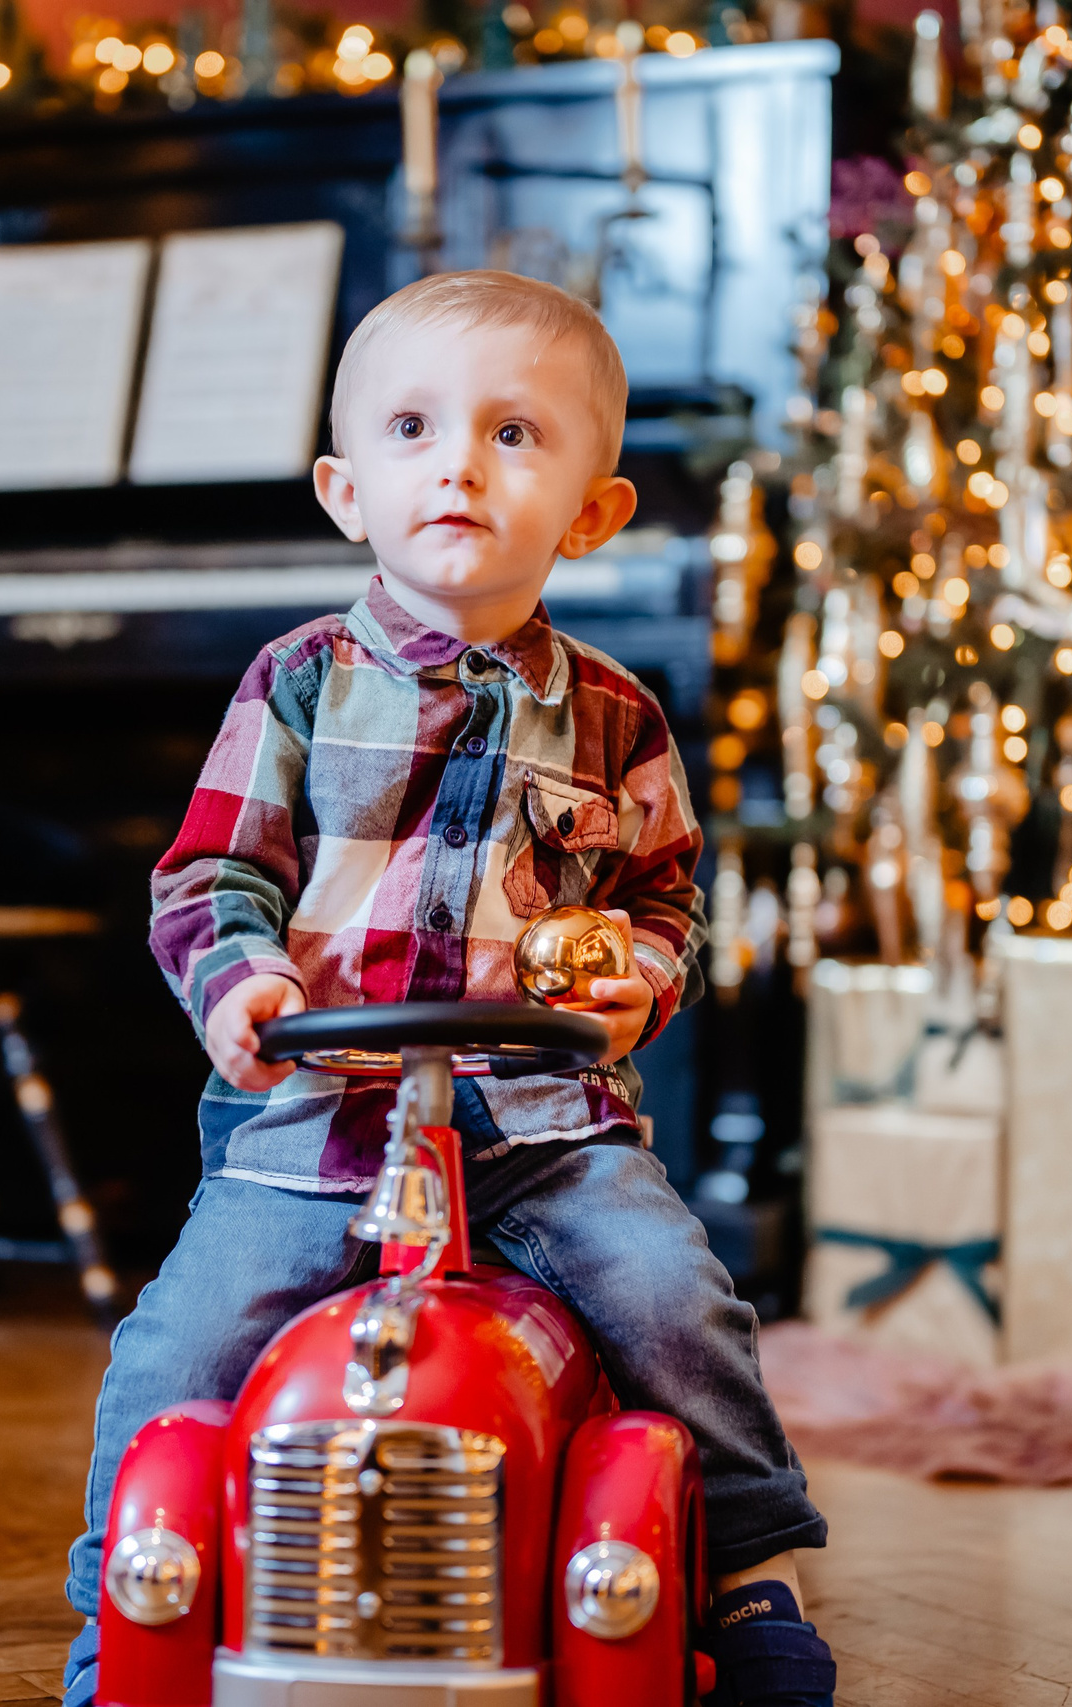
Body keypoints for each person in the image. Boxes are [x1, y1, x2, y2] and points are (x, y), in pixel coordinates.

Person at [63, 270, 835, 1707]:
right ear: (347, 490)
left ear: (593, 514)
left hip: (545, 1129)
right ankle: (129, 1607)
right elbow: (211, 877)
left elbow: (662, 897)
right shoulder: (294, 683)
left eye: (514, 435)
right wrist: (246, 989)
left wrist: (639, 988)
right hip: (314, 1123)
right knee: (177, 1340)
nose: (461, 467)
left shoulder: (616, 718)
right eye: (415, 430)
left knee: (673, 1296)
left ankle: (748, 1572)